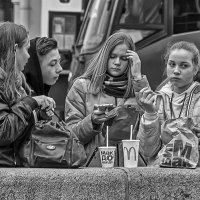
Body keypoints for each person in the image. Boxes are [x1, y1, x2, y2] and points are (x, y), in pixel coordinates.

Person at [65, 32, 149, 159]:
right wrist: (92, 122)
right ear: (104, 56)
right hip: (91, 169)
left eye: (123, 58)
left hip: (129, 168)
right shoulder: (82, 87)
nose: (117, 62)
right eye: (112, 56)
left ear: (131, 61)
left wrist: (137, 76)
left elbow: (151, 124)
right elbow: (70, 136)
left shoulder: (137, 89)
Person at [0, 21, 55, 167]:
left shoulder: (18, 82)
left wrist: (40, 114)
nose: (29, 56)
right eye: (27, 49)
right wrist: (31, 103)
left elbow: (21, 128)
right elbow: (3, 132)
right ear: (15, 49)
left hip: (15, 167)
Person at [138, 41, 200, 164]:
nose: (176, 71)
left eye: (184, 66)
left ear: (195, 69)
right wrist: (150, 113)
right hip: (161, 175)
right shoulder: (157, 99)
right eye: (172, 64)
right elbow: (147, 151)